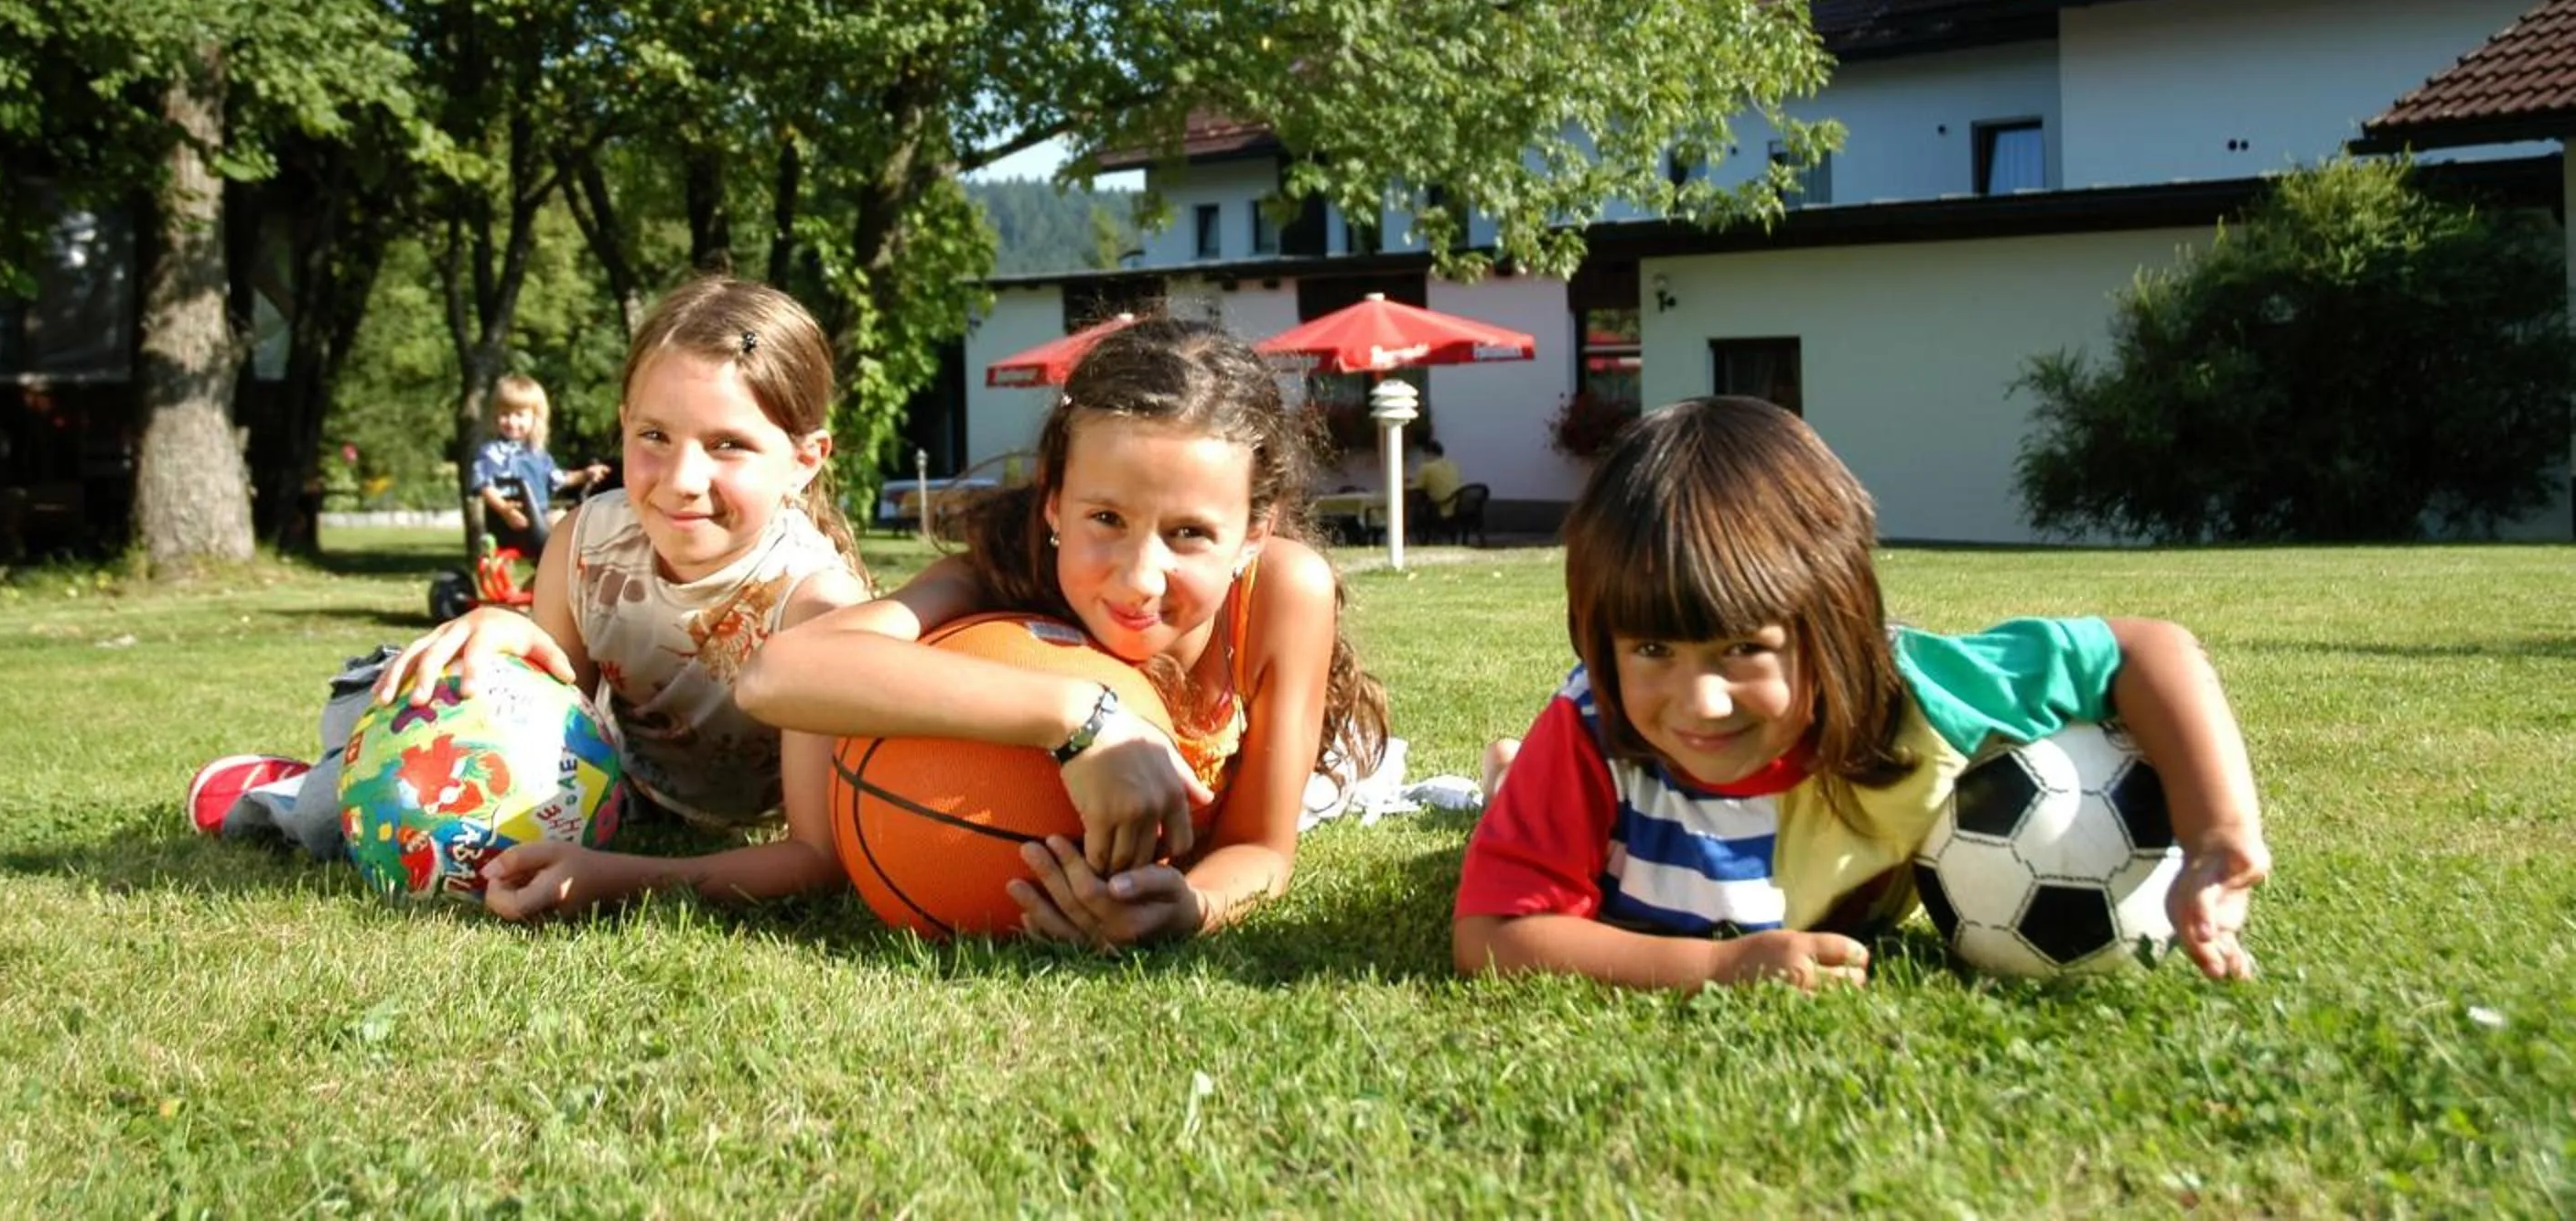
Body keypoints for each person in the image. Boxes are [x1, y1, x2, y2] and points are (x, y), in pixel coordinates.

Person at [1454, 395, 2268, 992]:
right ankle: (1509, 774)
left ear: (1835, 629)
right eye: (1653, 650)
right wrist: (1713, 965)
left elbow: (2148, 649)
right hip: (1601, 826)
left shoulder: (1921, 693)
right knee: (1522, 799)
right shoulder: (1593, 732)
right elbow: (1493, 933)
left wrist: (2217, 836)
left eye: (1744, 648)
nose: (1699, 701)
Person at [187, 276, 874, 921]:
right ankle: (295, 791)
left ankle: (305, 785)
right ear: (624, 423)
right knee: (419, 709)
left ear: (805, 458)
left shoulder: (815, 607)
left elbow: (815, 858)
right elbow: (548, 710)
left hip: (695, 814)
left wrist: (613, 879)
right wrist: (503, 627)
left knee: (389, 761)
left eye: (729, 445)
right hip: (619, 784)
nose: (682, 479)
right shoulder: (586, 540)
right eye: (654, 436)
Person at [736, 317, 1389, 947]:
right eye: (1106, 517)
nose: (1140, 578)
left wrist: (1192, 908)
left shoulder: (1284, 594)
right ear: (1053, 501)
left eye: (1188, 533)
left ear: (1254, 531)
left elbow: (1260, 848)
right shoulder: (997, 577)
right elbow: (776, 677)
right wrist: (1081, 719)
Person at [469, 373, 610, 562]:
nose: (512, 421)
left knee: (577, 522)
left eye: (519, 415)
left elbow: (557, 478)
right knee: (565, 523)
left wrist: (585, 474)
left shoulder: (537, 454)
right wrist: (504, 508)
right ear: (495, 416)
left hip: (538, 519)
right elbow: (484, 484)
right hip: (512, 522)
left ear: (534, 418)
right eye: (505, 414)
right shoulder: (492, 452)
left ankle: (573, 574)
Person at [1411, 438, 1463, 518]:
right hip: (1458, 507)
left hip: (1441, 508)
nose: (1424, 457)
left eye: (1425, 454)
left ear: (1430, 453)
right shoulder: (1452, 464)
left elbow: (1417, 488)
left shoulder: (1426, 467)